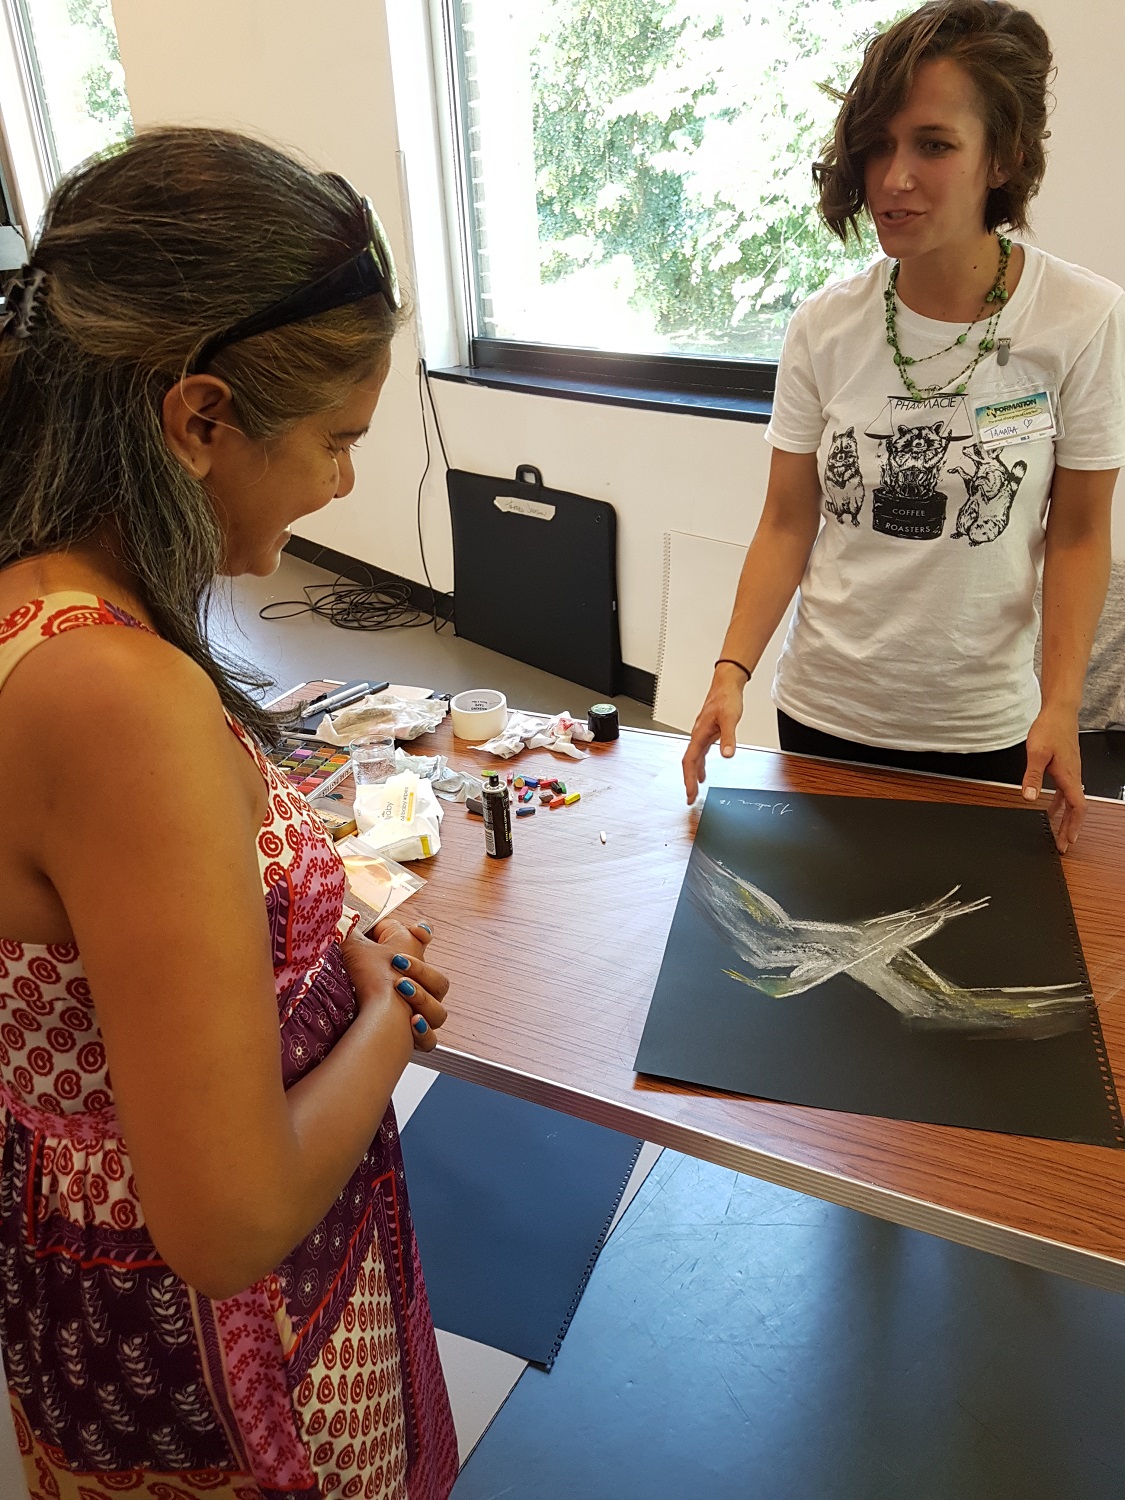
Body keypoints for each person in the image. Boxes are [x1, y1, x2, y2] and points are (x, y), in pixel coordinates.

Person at [0, 128, 459, 1500]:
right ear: (200, 420)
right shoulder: (121, 704)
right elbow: (229, 1219)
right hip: (213, 1348)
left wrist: (320, 961)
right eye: (334, 440)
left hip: (89, 1279)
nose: (342, 484)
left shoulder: (35, 606)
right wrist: (392, 1013)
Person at [682, 0, 1124, 854]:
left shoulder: (1081, 318)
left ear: (1005, 157)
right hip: (823, 709)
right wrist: (729, 671)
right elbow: (787, 520)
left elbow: (1076, 535)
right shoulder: (824, 325)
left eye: (933, 144)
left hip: (984, 725)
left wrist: (1062, 705)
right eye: (877, 145)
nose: (892, 179)